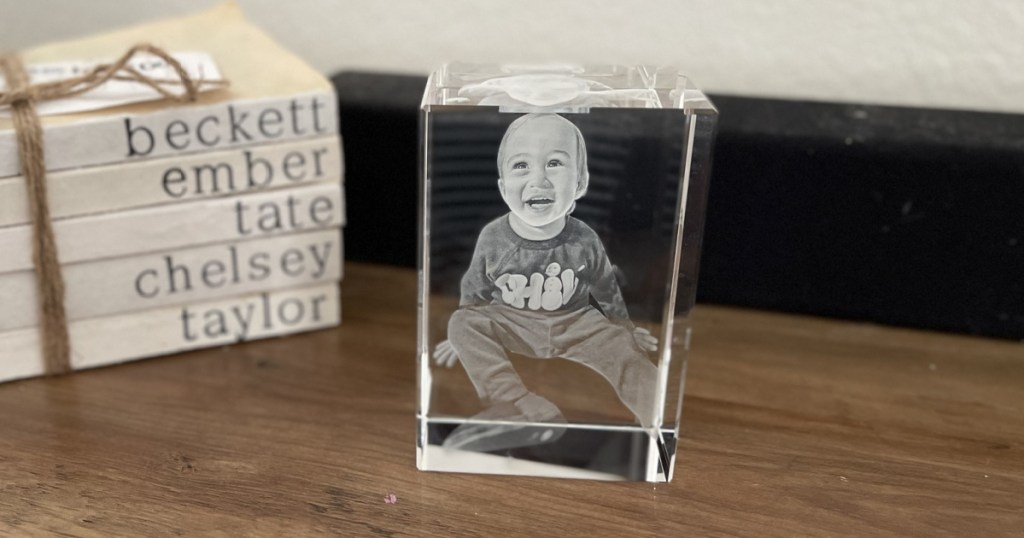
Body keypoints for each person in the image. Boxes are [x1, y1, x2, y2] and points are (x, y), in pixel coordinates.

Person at [434, 113, 658, 452]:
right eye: (521, 166)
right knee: (462, 323)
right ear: (502, 187)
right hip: (514, 323)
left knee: (626, 350)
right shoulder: (493, 237)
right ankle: (519, 405)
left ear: (580, 183)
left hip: (576, 325)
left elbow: (605, 285)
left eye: (554, 163)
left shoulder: (584, 238)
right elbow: (475, 289)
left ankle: (655, 428)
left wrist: (624, 328)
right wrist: (463, 338)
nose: (538, 179)